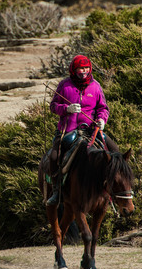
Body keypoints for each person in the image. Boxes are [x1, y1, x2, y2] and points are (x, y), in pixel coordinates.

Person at [47, 54, 119, 205]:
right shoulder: (64, 85)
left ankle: (117, 189)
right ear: (74, 69)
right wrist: (67, 109)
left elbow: (103, 108)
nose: (84, 71)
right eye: (80, 68)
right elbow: (53, 106)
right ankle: (56, 191)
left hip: (91, 131)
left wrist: (101, 120)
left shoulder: (96, 86)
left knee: (115, 151)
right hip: (67, 130)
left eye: (86, 68)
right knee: (54, 157)